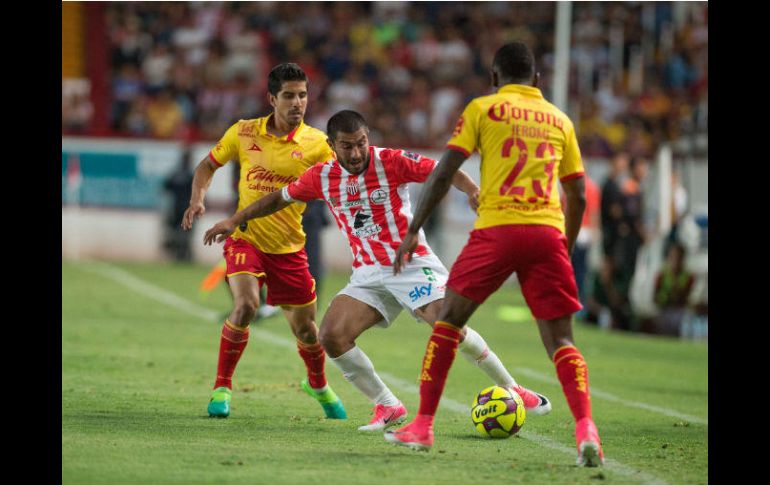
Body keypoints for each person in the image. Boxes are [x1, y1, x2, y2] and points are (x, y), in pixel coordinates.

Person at [203, 110, 552, 432]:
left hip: (411, 265)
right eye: (347, 146)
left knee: (449, 328)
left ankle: (515, 389)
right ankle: (387, 405)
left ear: (368, 139)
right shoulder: (321, 177)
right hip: (369, 274)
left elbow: (442, 169)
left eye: (361, 144)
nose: (356, 153)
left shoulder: (391, 161)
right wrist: (235, 219)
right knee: (331, 335)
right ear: (331, 146)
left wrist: (473, 189)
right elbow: (278, 198)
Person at [385, 42, 604, 467]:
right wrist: (565, 243)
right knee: (561, 340)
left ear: (494, 78)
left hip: (497, 229)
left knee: (448, 322)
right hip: (545, 233)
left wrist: (414, 229)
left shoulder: (483, 109)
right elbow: (576, 193)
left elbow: (445, 169)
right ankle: (585, 429)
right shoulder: (560, 120)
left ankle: (423, 425)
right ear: (537, 80)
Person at [181, 63, 347, 420]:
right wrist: (198, 198)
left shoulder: (318, 144)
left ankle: (317, 384)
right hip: (245, 239)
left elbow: (344, 182)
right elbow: (207, 166)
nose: (297, 102)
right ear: (272, 98)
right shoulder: (243, 132)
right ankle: (222, 388)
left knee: (306, 330)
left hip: (290, 249)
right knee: (246, 306)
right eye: (289, 95)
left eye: (302, 95)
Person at [163, 148, 194, 262]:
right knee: (186, 233)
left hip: (176, 208)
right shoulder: (192, 176)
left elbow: (165, 188)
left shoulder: (175, 174)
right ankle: (184, 254)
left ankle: (179, 254)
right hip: (187, 208)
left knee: (177, 231)